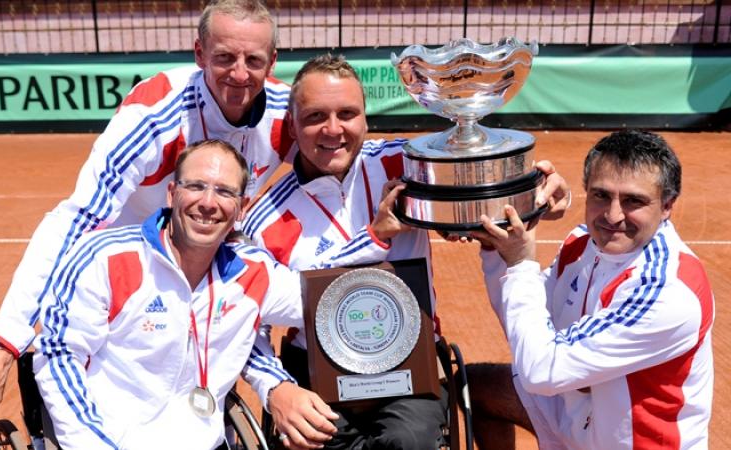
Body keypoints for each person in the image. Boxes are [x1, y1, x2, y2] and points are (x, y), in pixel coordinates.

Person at [0, 0, 295, 435]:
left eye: (253, 60)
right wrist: (2, 346)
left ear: (272, 61)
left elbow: (337, 172)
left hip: (208, 268)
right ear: (199, 53)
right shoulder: (152, 116)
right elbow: (77, 219)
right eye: (224, 57)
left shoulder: (288, 113)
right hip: (133, 269)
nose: (239, 74)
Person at [240, 53, 572, 450]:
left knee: (411, 442)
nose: (333, 129)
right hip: (316, 373)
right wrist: (276, 389)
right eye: (315, 117)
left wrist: (546, 192)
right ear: (292, 125)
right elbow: (243, 320)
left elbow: (491, 186)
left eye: (347, 113)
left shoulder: (410, 165)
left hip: (408, 367)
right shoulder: (262, 218)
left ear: (366, 119)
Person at [34, 139, 305, 449]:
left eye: (225, 192)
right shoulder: (106, 257)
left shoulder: (254, 272)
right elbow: (59, 356)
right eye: (196, 186)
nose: (207, 202)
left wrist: (374, 239)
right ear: (172, 193)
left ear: (242, 208)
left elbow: (328, 301)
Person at [469, 130, 714, 449]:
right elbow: (527, 328)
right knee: (478, 386)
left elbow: (541, 369)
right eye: (601, 195)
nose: (613, 216)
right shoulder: (583, 244)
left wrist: (519, 264)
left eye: (633, 201)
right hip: (579, 424)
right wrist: (496, 250)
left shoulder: (667, 290)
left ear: (667, 205)